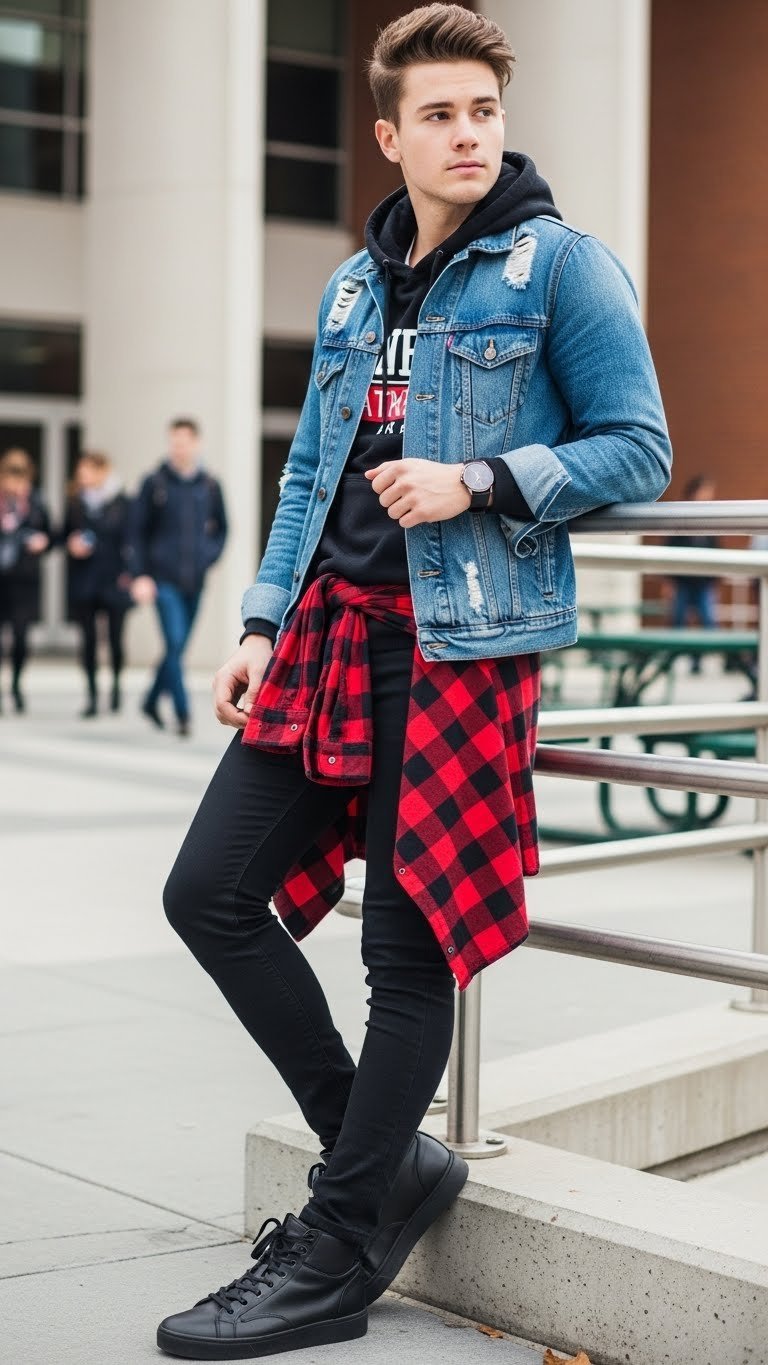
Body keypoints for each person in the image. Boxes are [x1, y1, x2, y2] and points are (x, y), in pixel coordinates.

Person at [156, 6, 672, 1359]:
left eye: (483, 113)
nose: (466, 134)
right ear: (391, 135)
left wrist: (483, 480)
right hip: (330, 637)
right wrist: (263, 614)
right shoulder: (350, 287)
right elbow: (308, 478)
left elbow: (638, 448)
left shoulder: (556, 268)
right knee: (206, 889)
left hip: (462, 645)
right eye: (438, 116)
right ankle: (382, 1165)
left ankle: (334, 1251)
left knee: (407, 947)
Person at [129, 418, 228, 736]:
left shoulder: (209, 484)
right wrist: (141, 575)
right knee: (173, 642)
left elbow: (223, 528)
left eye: (184, 442)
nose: (178, 448)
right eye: (174, 442)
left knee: (177, 648)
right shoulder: (154, 483)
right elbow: (136, 532)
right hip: (163, 580)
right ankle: (183, 714)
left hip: (195, 580)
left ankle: (150, 700)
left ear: (196, 443)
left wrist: (207, 557)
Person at [61, 450, 133, 718]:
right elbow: (62, 533)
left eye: (87, 471)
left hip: (115, 581)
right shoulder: (75, 503)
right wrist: (71, 544)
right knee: (88, 640)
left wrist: (131, 573)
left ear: (102, 471)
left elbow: (131, 540)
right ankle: (91, 695)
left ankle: (115, 687)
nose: (83, 477)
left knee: (115, 639)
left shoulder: (122, 502)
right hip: (85, 581)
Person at [0, 448, 51, 714]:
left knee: (20, 637)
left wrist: (43, 541)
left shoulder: (36, 503)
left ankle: (17, 687)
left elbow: (51, 533)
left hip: (24, 579)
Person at [667, 474, 718, 674]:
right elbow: (670, 551)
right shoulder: (682, 515)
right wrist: (669, 583)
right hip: (683, 580)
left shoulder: (713, 520)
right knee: (678, 621)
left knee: (708, 621)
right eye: (705, 492)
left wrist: (714, 580)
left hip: (704, 582)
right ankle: (672, 658)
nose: (708, 497)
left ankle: (698, 660)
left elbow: (717, 552)